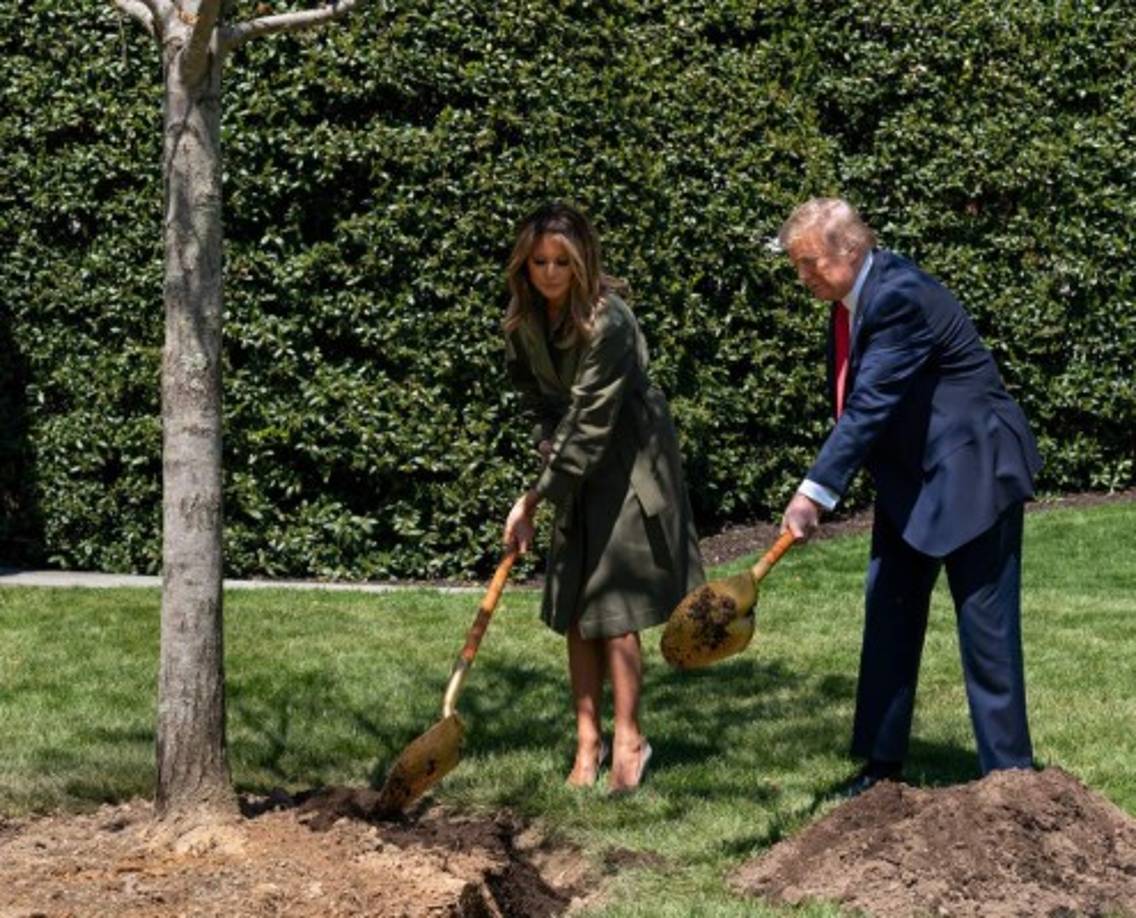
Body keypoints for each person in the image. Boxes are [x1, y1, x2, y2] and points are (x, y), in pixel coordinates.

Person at [777, 197, 1042, 795]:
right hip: (912, 480)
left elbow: (870, 404)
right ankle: (880, 769)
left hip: (973, 470)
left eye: (811, 262)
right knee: (889, 610)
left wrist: (813, 494)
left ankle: (1013, 782)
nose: (804, 276)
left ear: (851, 249)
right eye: (797, 265)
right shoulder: (850, 299)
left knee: (986, 629)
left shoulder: (897, 297)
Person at [500, 202, 705, 792]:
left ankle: (629, 740)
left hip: (627, 460)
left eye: (561, 261)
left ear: (582, 259)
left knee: (614, 606)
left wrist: (534, 500)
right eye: (538, 261)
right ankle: (586, 745)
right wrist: (547, 445)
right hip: (574, 459)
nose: (549, 273)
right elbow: (539, 399)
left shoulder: (609, 322)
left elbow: (592, 420)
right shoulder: (525, 320)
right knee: (577, 608)